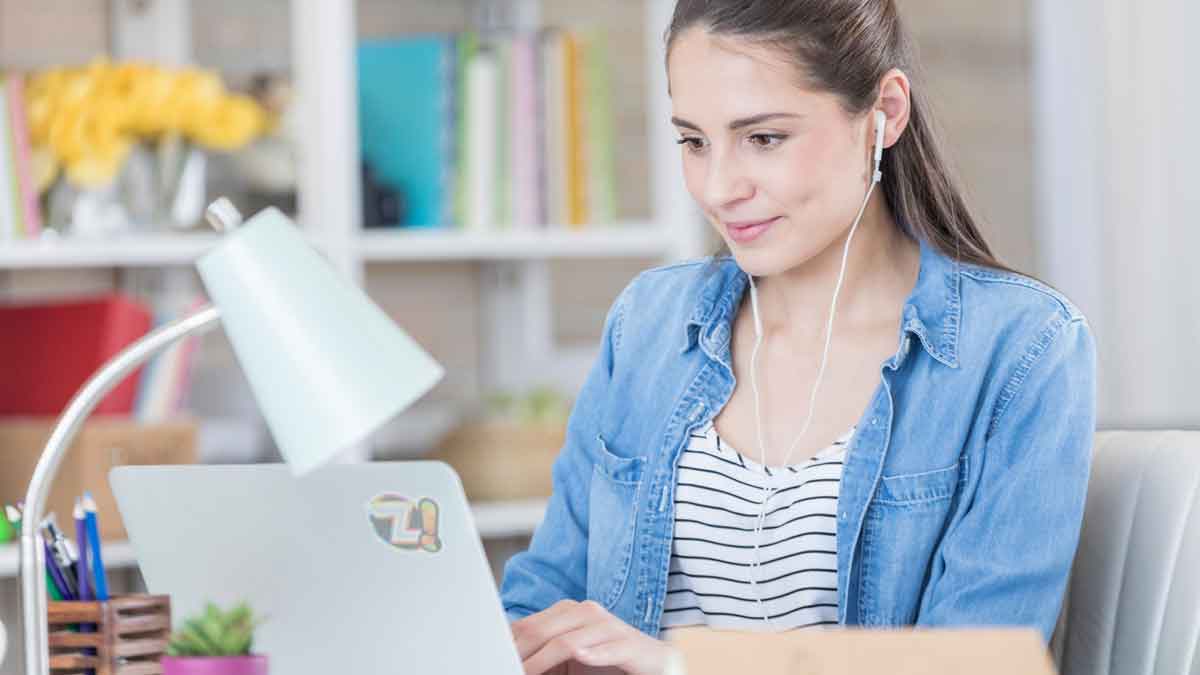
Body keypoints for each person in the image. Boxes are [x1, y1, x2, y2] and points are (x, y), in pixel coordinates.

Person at [501, 1, 1097, 673]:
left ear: (884, 115)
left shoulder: (1022, 351)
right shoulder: (648, 323)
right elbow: (537, 602)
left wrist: (681, 664)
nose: (720, 187)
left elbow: (982, 661)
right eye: (694, 141)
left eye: (764, 138)